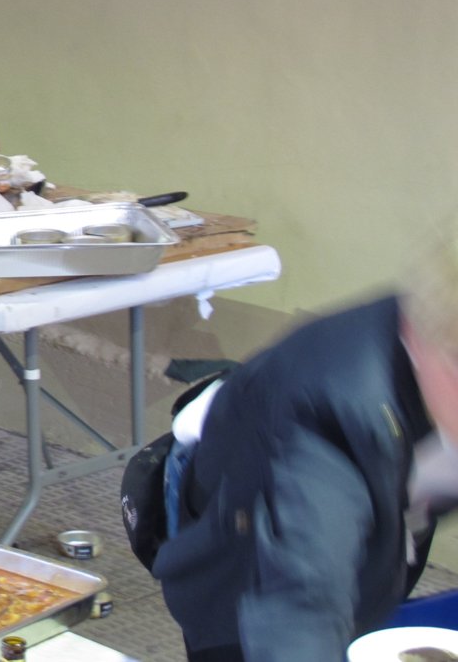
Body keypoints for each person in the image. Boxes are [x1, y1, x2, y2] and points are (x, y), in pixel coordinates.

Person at [143, 236, 458, 661]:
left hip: (365, 542)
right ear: (425, 346)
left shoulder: (439, 348)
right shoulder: (332, 410)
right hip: (247, 563)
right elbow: (302, 599)